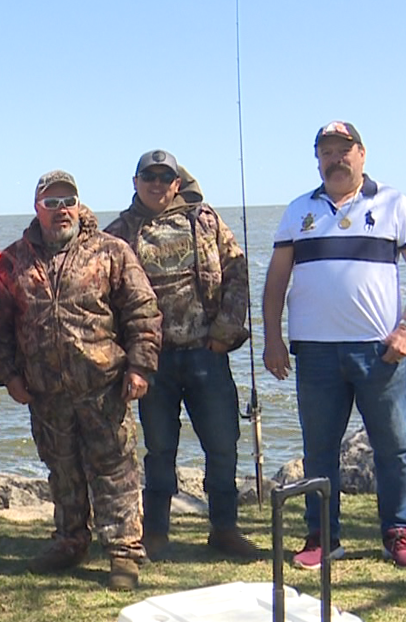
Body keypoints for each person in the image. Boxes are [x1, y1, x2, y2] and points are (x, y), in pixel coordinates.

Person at [262, 121, 406, 571]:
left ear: (362, 153)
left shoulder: (393, 203)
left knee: (392, 448)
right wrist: (273, 338)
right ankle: (323, 537)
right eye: (326, 151)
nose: (335, 158)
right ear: (316, 158)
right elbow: (277, 279)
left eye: (344, 150)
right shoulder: (298, 210)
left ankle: (398, 533)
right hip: (316, 354)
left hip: (380, 353)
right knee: (319, 451)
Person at [0, 170, 162, 591]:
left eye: (68, 200)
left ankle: (123, 552)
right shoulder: (13, 260)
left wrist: (140, 366)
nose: (60, 209)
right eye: (51, 202)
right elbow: (2, 326)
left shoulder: (111, 251)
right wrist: (9, 374)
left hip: (103, 386)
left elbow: (142, 311)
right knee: (62, 471)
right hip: (46, 392)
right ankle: (70, 541)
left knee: (115, 468)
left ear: (79, 204)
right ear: (37, 208)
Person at [104, 150, 258, 559]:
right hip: (153, 362)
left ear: (177, 182)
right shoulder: (118, 232)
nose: (157, 184)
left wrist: (225, 333)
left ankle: (224, 528)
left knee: (223, 445)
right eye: (148, 177)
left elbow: (237, 271)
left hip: (207, 354)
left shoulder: (204, 219)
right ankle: (156, 532)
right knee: (159, 451)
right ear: (135, 181)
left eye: (164, 177)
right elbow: (105, 296)